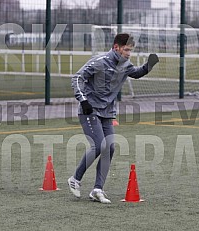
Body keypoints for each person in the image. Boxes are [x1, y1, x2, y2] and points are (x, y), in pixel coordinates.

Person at [68, 33, 159, 203]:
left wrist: (148, 66)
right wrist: (83, 100)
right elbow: (78, 78)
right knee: (98, 145)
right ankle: (75, 179)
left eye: (130, 50)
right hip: (90, 110)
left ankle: (97, 189)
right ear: (116, 47)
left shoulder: (125, 64)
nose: (129, 54)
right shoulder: (99, 61)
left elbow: (136, 73)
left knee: (109, 148)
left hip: (107, 113)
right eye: (126, 50)